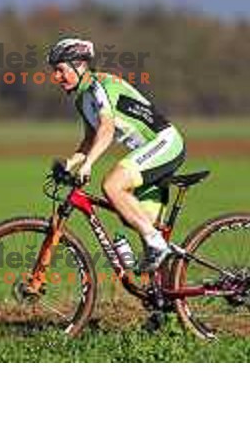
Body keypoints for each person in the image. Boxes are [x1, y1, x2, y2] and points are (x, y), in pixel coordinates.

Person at [47, 37, 186, 272]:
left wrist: (89, 164)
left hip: (165, 143)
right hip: (148, 152)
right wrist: (71, 164)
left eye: (60, 70)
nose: (56, 77)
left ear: (79, 65)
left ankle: (156, 244)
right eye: (54, 71)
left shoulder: (100, 87)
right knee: (135, 218)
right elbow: (90, 140)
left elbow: (106, 129)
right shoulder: (83, 99)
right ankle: (162, 300)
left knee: (112, 186)